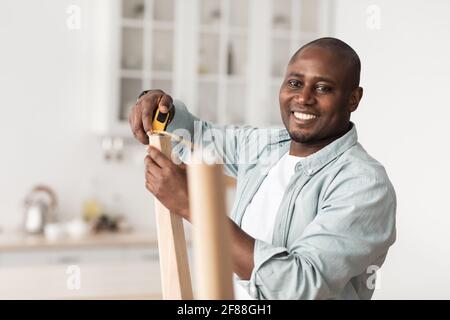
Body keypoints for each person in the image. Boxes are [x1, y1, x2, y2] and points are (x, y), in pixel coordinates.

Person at [128, 37, 396, 300]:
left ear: (353, 99)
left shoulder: (363, 184)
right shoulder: (263, 147)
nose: (303, 98)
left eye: (323, 88)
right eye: (295, 83)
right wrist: (156, 106)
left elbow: (297, 287)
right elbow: (193, 135)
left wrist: (195, 206)